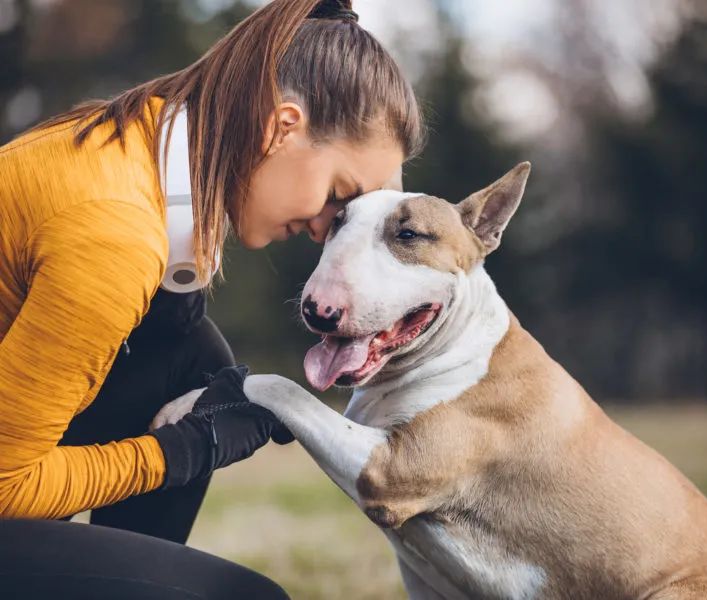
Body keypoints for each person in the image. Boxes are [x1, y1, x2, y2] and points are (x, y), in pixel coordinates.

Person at [0, 0, 424, 597]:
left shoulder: (133, 145)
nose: (325, 229)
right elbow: (8, 487)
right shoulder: (115, 234)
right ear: (281, 126)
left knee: (192, 357)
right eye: (338, 193)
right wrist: (185, 448)